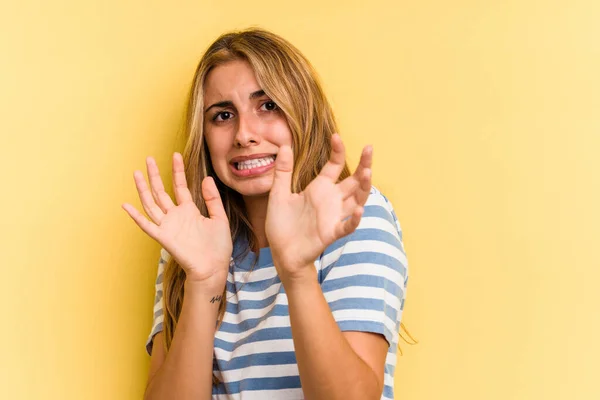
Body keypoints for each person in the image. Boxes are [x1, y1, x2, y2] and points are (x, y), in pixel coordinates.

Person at [122, 28, 410, 400]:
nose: (244, 134)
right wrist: (204, 282)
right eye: (223, 115)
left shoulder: (353, 216)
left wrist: (297, 272)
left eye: (268, 106)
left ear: (303, 113)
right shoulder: (192, 237)